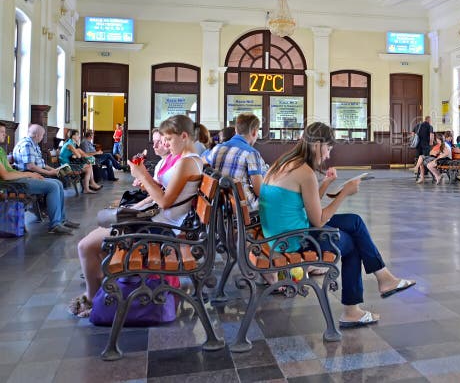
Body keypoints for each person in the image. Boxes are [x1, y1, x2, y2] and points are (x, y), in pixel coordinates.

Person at [260, 122, 415, 328]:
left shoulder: (284, 163)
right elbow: (318, 220)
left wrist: (326, 182)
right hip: (295, 240)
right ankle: (353, 310)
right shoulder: (305, 172)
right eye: (329, 148)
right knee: (352, 244)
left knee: (354, 221)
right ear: (317, 144)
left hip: (281, 234)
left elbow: (305, 203)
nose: (328, 155)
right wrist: (345, 193)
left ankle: (383, 278)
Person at [71, 115, 204, 318]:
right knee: (92, 243)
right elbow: (164, 195)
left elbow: (165, 202)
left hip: (160, 228)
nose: (166, 144)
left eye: (169, 139)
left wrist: (142, 174)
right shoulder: (188, 161)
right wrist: (139, 196)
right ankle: (101, 298)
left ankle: (94, 300)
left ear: (184, 136)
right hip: (155, 221)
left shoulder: (188, 162)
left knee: (85, 246)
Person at [0, 125, 78, 235]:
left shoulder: (1, 150)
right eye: (2, 132)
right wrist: (28, 174)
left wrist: (28, 175)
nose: (5, 134)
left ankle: (61, 220)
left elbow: (10, 170)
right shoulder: (26, 144)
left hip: (18, 178)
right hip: (10, 184)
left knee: (58, 183)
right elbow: (5, 176)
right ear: (37, 135)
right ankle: (55, 224)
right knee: (53, 186)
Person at [203, 113, 267, 211]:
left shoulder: (217, 148)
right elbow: (259, 191)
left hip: (221, 205)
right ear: (254, 132)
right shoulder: (251, 153)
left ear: (236, 130)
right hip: (243, 207)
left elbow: (202, 161)